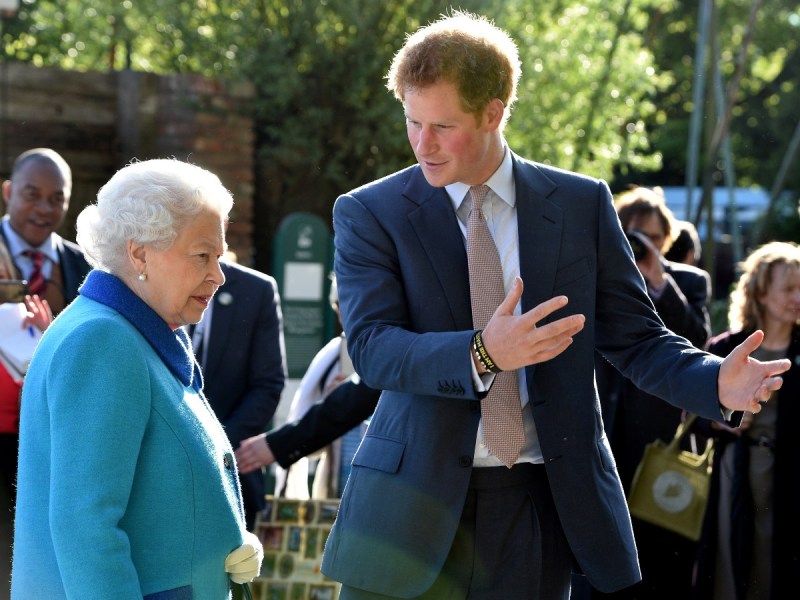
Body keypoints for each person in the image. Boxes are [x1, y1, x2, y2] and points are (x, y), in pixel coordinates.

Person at [322, 11, 790, 600]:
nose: (422, 144)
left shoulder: (579, 204)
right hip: (406, 513)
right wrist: (483, 352)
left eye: (442, 125)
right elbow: (371, 349)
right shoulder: (370, 211)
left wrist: (716, 382)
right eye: (412, 122)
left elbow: (636, 338)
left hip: (537, 508)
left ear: (494, 113)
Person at [11, 158, 262, 599]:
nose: (217, 275)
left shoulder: (132, 330)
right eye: (202, 254)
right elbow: (87, 527)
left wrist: (219, 545)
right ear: (139, 252)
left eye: (218, 257)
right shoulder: (103, 339)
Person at [585, 187, 712, 598]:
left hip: (660, 432)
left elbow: (698, 342)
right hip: (603, 424)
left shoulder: (689, 280)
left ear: (667, 239)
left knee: (660, 550)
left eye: (654, 237)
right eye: (634, 234)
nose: (643, 244)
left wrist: (658, 278)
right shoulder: (591, 275)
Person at [1, 148, 89, 597]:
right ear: (8, 192)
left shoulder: (85, 267)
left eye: (57, 199)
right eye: (32, 195)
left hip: (55, 439)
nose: (44, 208)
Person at [692, 241, 800, 600]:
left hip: (786, 477)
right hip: (733, 471)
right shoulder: (727, 347)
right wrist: (719, 422)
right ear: (761, 292)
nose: (797, 297)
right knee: (729, 562)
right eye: (789, 288)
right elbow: (692, 415)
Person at [237, 277, 377, 500]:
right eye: (339, 305)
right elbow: (313, 449)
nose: (345, 313)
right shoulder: (331, 357)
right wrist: (331, 400)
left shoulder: (385, 356)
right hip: (338, 489)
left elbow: (367, 398)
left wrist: (279, 444)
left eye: (353, 303)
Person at [190, 253, 287, 530]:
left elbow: (267, 385)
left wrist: (213, 451)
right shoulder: (146, 283)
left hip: (230, 481)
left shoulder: (256, 290)